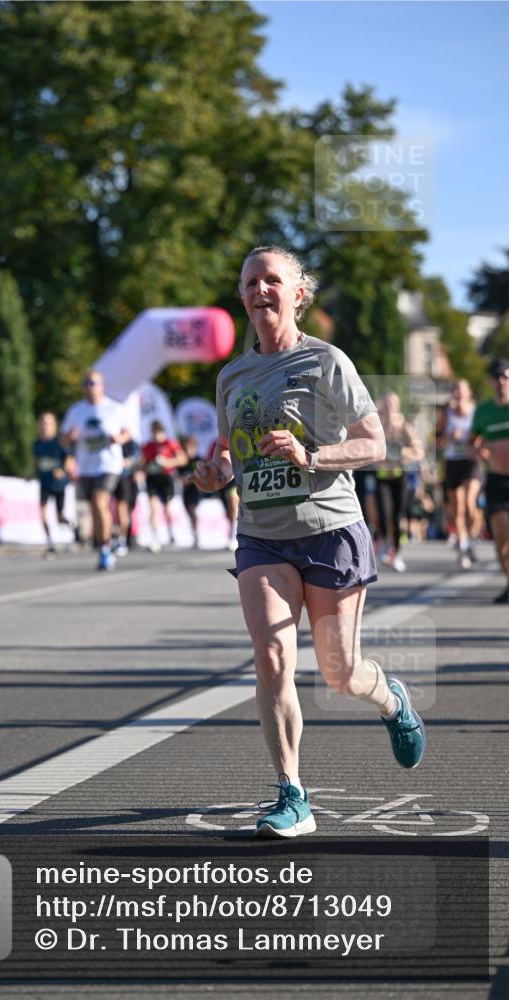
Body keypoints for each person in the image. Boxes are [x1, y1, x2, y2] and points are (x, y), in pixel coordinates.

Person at [189, 246, 426, 839]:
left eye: (273, 280)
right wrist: (216, 472)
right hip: (262, 537)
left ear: (298, 293)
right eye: (249, 282)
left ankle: (391, 699)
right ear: (241, 296)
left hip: (329, 530)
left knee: (339, 672)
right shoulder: (232, 376)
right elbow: (227, 451)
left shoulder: (325, 362)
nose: (259, 290)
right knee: (271, 659)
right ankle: (292, 794)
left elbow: (374, 444)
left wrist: (311, 455)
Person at [59, 370, 131, 571]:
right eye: (87, 383)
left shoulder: (113, 408)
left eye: (94, 383)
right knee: (94, 508)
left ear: (102, 386)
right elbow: (63, 439)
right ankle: (104, 546)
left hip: (109, 465)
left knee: (100, 502)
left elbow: (128, 432)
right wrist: (70, 438)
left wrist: (119, 439)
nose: (90, 387)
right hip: (86, 467)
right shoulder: (76, 411)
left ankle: (107, 547)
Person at [472, 358, 509, 604]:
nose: (501, 382)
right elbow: (472, 441)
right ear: (490, 381)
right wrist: (481, 452)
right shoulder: (484, 411)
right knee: (501, 536)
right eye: (496, 378)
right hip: (496, 479)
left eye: (505, 377)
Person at [375, 392, 424, 573]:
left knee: (397, 515)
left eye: (393, 403)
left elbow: (419, 451)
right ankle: (386, 544)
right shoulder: (377, 426)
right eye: (387, 403)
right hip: (382, 476)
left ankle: (396, 552)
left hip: (399, 475)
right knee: (382, 513)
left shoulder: (404, 427)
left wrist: (405, 453)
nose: (389, 407)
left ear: (398, 406)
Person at [436, 379, 482, 569]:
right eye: (455, 390)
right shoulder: (446, 413)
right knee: (458, 508)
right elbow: (437, 439)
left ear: (469, 392)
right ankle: (463, 545)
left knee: (471, 504)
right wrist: (448, 437)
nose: (458, 393)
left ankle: (472, 537)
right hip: (452, 461)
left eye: (461, 390)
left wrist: (475, 443)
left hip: (471, 462)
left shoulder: (475, 412)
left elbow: (482, 434)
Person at [141, 420, 187, 552]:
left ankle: (172, 534)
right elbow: (142, 464)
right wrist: (147, 467)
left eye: (158, 433)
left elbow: (183, 459)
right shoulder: (148, 446)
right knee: (154, 508)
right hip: (152, 478)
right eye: (154, 433)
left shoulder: (170, 443)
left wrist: (168, 462)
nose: (156, 436)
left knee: (167, 508)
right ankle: (155, 538)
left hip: (166, 478)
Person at [33, 411, 71, 559]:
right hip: (44, 482)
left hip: (59, 485)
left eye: (48, 423)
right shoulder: (37, 444)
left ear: (54, 425)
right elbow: (36, 462)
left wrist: (62, 470)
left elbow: (69, 459)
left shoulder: (59, 442)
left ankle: (72, 525)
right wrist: (32, 473)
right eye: (42, 422)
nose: (45, 426)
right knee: (42, 513)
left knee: (59, 517)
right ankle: (50, 543)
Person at [112, 438, 142, 556]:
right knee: (120, 509)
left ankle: (125, 539)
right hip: (115, 478)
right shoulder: (111, 439)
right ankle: (121, 539)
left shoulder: (132, 443)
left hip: (127, 479)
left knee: (126, 510)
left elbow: (135, 459)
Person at [179, 435, 203, 546]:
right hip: (186, 490)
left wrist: (191, 480)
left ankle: (197, 533)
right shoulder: (183, 461)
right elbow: (178, 475)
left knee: (193, 510)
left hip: (196, 489)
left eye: (190, 447)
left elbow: (201, 475)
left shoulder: (198, 460)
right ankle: (193, 532)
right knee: (188, 511)